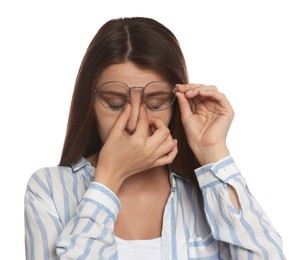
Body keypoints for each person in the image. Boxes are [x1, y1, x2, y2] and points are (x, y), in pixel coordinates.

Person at [24, 17, 284, 259]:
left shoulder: (204, 193)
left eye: (156, 102)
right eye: (115, 103)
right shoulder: (48, 189)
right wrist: (108, 179)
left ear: (176, 104)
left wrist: (212, 151)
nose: (135, 120)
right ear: (89, 104)